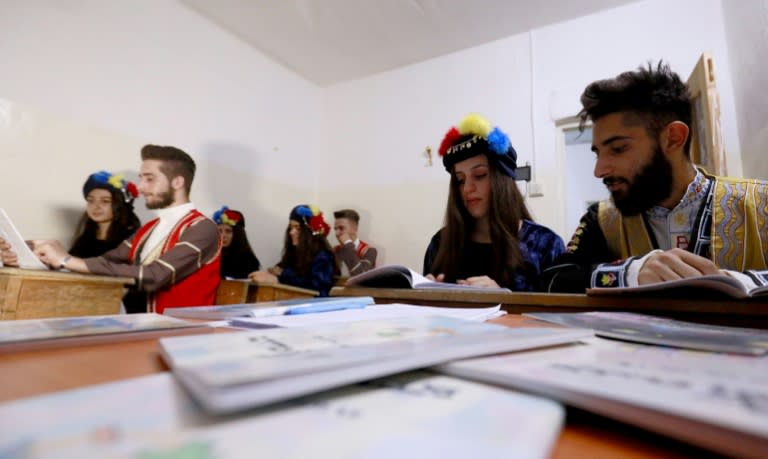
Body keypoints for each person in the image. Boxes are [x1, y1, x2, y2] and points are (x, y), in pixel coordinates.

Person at [541, 62, 768, 293]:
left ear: (673, 138)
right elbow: (552, 280)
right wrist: (630, 272)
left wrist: (732, 282)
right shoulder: (602, 220)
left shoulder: (760, 203)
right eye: (598, 153)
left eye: (618, 149)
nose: (599, 171)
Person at [1, 145, 221, 314]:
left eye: (149, 179)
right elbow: (103, 262)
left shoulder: (204, 228)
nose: (141, 187)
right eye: (141, 178)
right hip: (144, 327)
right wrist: (31, 253)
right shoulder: (150, 229)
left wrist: (66, 259)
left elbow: (156, 275)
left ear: (177, 182)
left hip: (181, 333)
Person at [423, 113, 566, 291]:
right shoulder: (440, 244)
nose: (468, 188)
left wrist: (503, 299)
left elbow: (556, 315)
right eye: (460, 180)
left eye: (480, 175)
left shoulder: (545, 245)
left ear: (503, 180)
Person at [249, 204, 338, 296]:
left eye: (298, 228)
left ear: (309, 233)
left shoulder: (323, 255)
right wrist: (268, 274)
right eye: (291, 227)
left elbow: (318, 287)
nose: (291, 232)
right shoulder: (294, 253)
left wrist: (279, 278)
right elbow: (279, 270)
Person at [69, 170, 141, 258]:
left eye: (105, 201)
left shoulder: (131, 240)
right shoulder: (85, 238)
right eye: (91, 201)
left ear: (119, 205)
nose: (96, 206)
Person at [212, 205, 260, 279]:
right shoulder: (209, 257)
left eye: (228, 231)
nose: (222, 236)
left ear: (238, 235)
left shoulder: (249, 261)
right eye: (219, 231)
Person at [333, 208, 377, 276]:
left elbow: (361, 275)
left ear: (355, 228)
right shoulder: (335, 251)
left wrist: (348, 244)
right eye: (335, 229)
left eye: (341, 228)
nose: (336, 233)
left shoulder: (369, 251)